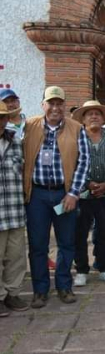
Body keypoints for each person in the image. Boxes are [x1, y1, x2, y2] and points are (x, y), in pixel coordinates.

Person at [23, 86, 90, 308]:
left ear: (64, 105)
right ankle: (40, 290)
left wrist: (74, 193)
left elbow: (84, 162)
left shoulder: (77, 128)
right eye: (50, 103)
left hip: (64, 194)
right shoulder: (29, 126)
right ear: (43, 105)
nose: (55, 107)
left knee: (66, 243)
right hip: (37, 195)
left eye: (59, 103)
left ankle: (64, 286)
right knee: (38, 244)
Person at [72, 100, 105, 286]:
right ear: (83, 119)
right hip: (82, 195)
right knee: (80, 233)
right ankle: (82, 270)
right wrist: (87, 183)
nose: (94, 116)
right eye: (89, 113)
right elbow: (71, 164)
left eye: (97, 113)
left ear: (103, 118)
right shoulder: (76, 137)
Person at [0, 101, 29, 315]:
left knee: (16, 256)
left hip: (14, 209)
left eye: (3, 117)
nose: (1, 121)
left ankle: (13, 294)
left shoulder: (15, 139)